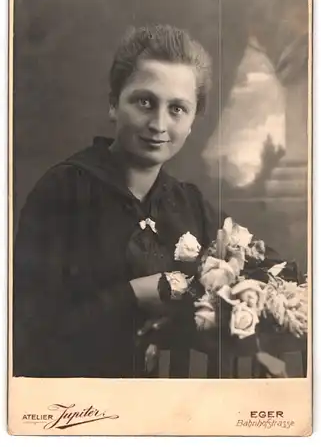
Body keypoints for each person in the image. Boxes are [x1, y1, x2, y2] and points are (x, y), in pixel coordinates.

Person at [13, 24, 282, 379]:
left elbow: (269, 267)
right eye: (144, 102)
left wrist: (255, 339)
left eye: (177, 109)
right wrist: (133, 294)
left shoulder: (187, 204)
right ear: (113, 104)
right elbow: (25, 333)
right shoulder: (62, 192)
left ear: (192, 121)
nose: (159, 123)